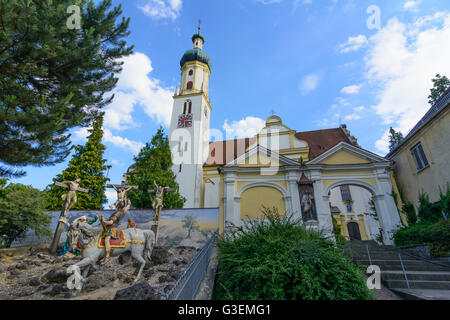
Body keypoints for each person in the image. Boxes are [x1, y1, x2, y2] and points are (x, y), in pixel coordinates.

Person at [100, 200, 131, 265]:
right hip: (110, 228)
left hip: (111, 229)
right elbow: (127, 208)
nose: (115, 206)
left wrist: (104, 221)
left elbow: (111, 222)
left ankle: (107, 256)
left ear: (118, 206)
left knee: (106, 240)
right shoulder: (122, 212)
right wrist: (128, 204)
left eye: (116, 205)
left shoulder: (117, 213)